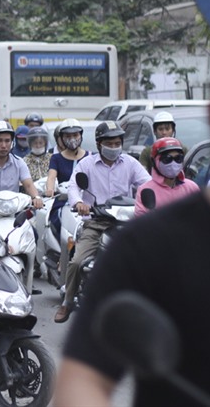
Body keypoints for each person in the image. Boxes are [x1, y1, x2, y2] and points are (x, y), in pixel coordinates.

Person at [56, 9, 210, 406]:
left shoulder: (140, 172)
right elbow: (82, 382)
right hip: (97, 219)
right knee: (78, 260)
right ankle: (65, 299)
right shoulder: (146, 249)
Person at [54, 120, 151, 323]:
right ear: (99, 144)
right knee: (78, 262)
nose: (114, 147)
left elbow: (147, 185)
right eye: (110, 143)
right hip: (96, 223)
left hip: (126, 223)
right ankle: (68, 301)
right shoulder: (86, 164)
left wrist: (152, 199)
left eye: (117, 143)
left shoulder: (131, 163)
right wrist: (79, 202)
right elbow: (73, 186)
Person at [44, 118, 87, 241]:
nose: (72, 138)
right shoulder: (56, 158)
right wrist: (50, 189)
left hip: (86, 204)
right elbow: (51, 176)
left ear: (80, 135)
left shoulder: (90, 156)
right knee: (57, 222)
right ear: (61, 138)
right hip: (64, 202)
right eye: (68, 136)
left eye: (75, 135)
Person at [134, 137, 199, 217]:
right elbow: (141, 223)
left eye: (178, 158)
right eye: (167, 159)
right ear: (154, 161)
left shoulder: (191, 188)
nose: (173, 163)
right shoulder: (146, 191)